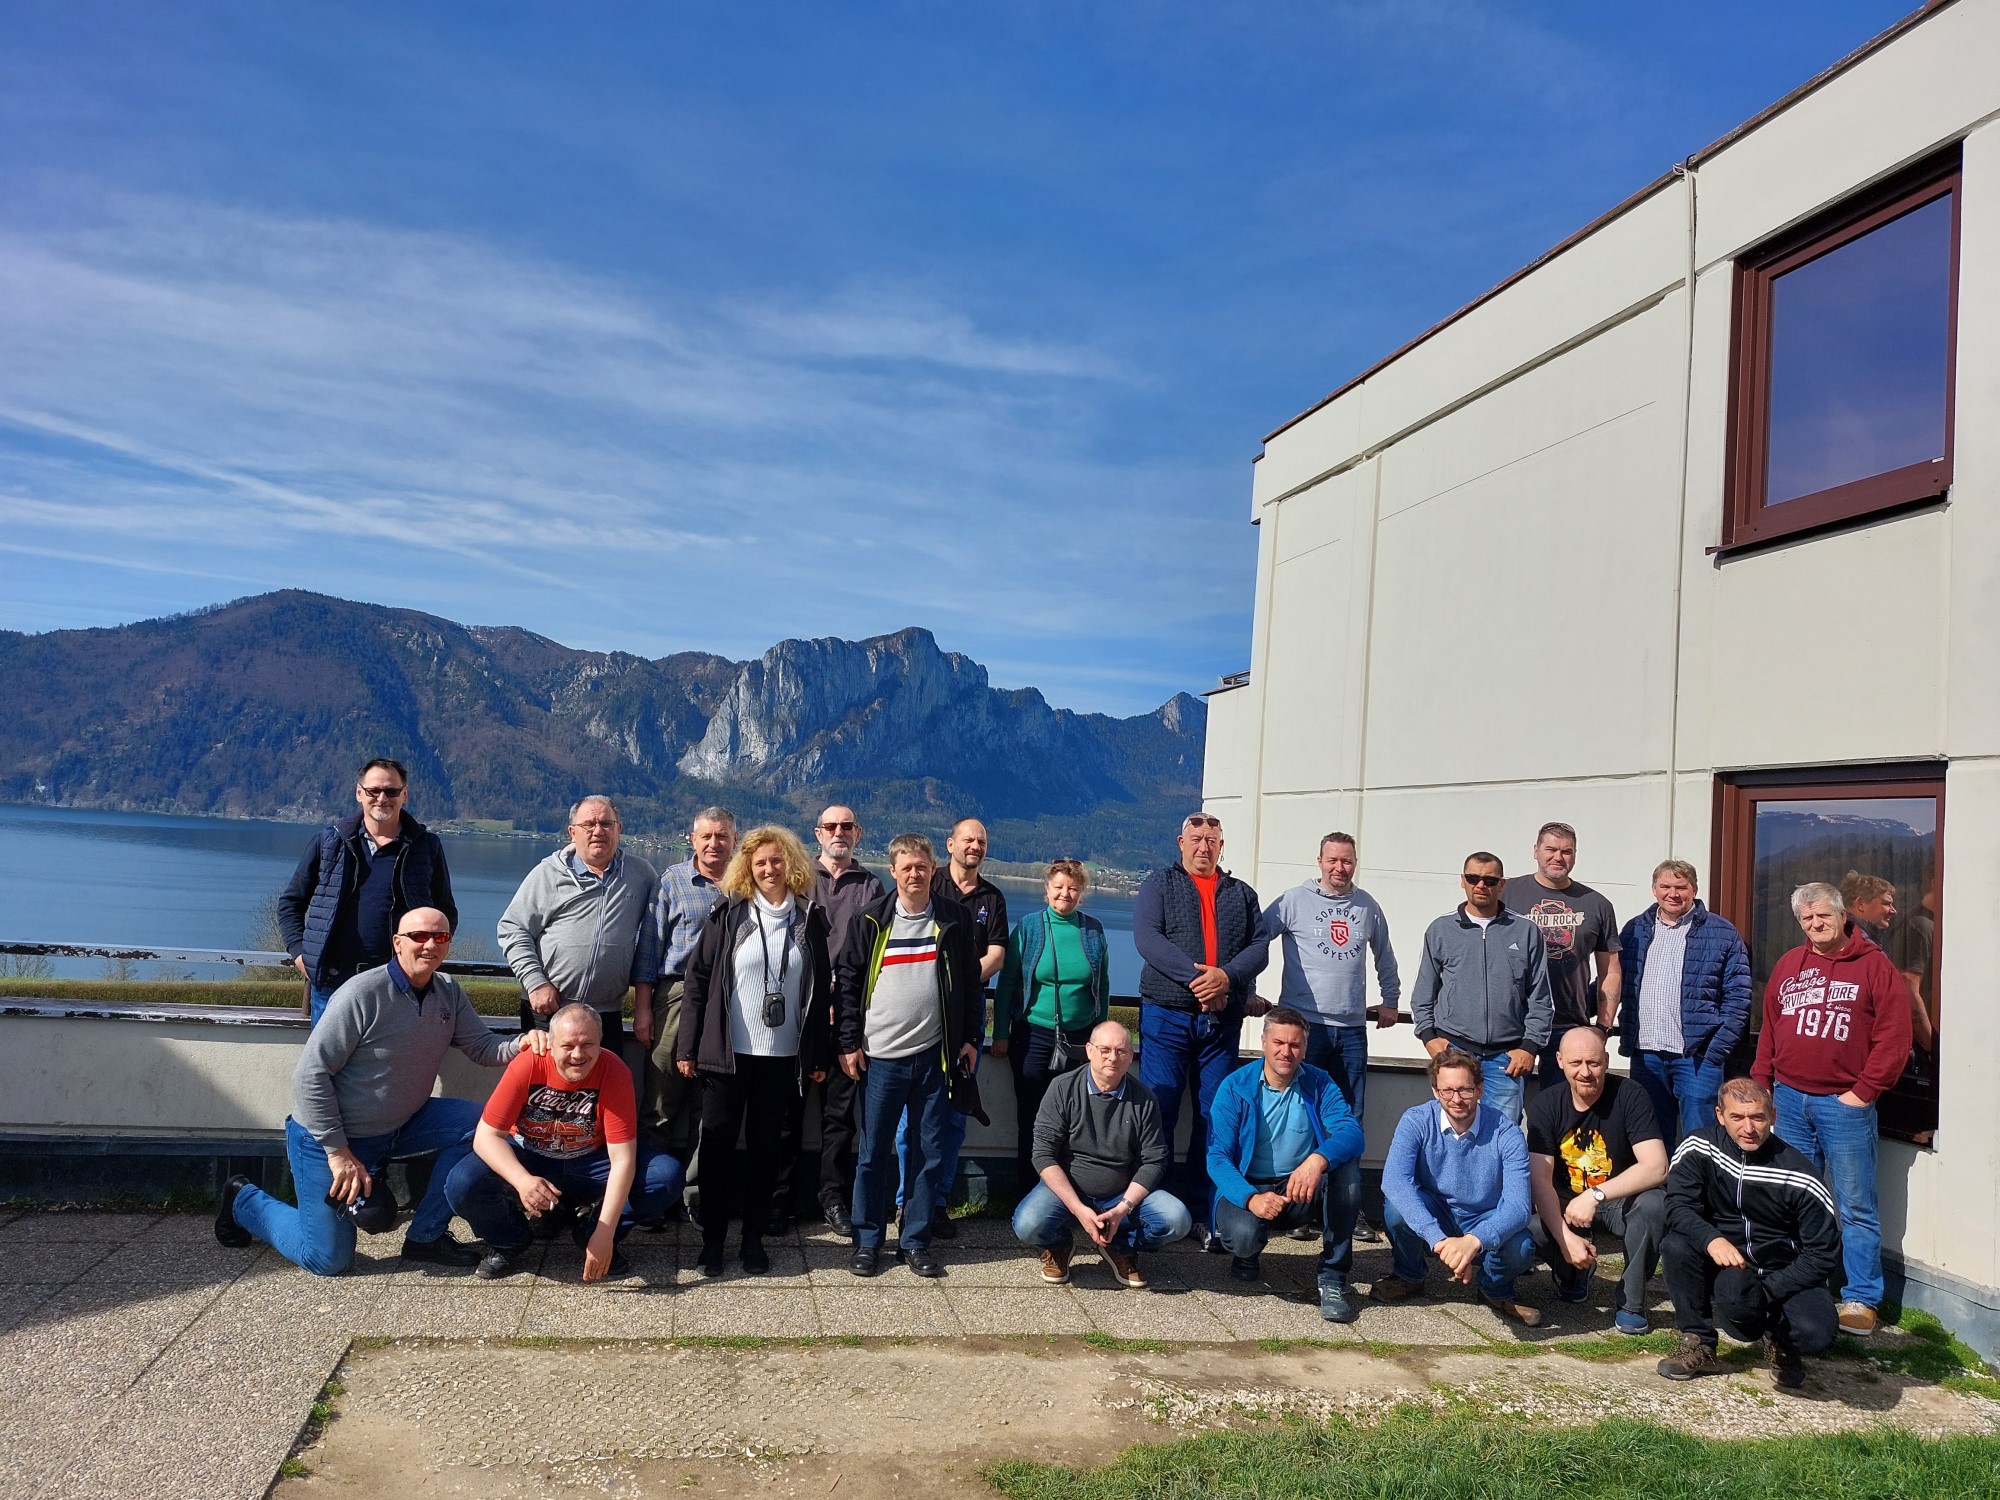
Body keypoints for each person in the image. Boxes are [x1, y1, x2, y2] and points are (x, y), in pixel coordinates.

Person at [215, 908, 536, 1274]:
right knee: (328, 1259)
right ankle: (244, 1201)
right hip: (331, 1140)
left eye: (440, 937)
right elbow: (310, 1075)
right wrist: (338, 1153)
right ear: (397, 943)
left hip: (403, 1124)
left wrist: (525, 1043)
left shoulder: (447, 991)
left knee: (482, 1128)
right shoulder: (362, 993)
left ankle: (426, 1237)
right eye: (419, 936)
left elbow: (481, 1046)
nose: (430, 944)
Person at [1752, 881, 1910, 1338]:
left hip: (1844, 1105)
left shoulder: (1876, 967)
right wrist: (1763, 1085)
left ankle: (1861, 1298)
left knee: (1855, 1204)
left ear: (1843, 915)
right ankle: (1801, 1286)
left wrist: (1864, 1092)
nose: (1816, 924)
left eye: (1823, 915)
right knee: (1793, 1199)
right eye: (1807, 918)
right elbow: (1770, 1029)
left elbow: (1894, 1038)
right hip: (1788, 1100)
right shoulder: (1789, 964)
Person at [676, 826, 834, 1277]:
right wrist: (688, 1045)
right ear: (747, 868)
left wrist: (817, 1056)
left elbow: (821, 991)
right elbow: (697, 982)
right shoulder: (728, 914)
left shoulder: (809, 918)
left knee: (768, 1151)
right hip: (726, 1055)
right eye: (760, 862)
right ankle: (712, 1242)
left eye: (777, 860)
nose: (769, 869)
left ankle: (752, 1240)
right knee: (717, 1148)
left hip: (782, 1059)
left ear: (792, 864)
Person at [446, 1003, 687, 1281]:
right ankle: (510, 1239)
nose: (577, 1054)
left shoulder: (614, 1071)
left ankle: (590, 1232)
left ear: (600, 1042)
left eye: (587, 1044)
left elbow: (622, 1159)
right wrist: (522, 1181)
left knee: (665, 1175)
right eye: (567, 1046)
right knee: (461, 1183)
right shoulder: (528, 1063)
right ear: (551, 1043)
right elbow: (486, 1136)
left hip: (591, 1160)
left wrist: (604, 1233)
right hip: (530, 1154)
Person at [834, 834, 981, 1279]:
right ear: (893, 871)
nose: (915, 874)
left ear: (933, 870)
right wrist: (848, 1043)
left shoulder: (954, 919)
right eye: (907, 867)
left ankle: (915, 1241)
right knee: (873, 1152)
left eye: (922, 867)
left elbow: (970, 983)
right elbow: (848, 983)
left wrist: (970, 1038)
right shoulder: (870, 920)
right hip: (881, 1058)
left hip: (935, 1058)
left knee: (927, 1152)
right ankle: (867, 1241)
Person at [1132, 813, 1269, 1242]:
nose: (1203, 846)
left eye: (1212, 840)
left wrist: (1226, 978)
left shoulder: (1241, 894)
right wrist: (1202, 981)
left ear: (1221, 845)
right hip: (1167, 1016)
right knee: (1159, 1110)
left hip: (1221, 1022)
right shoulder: (1159, 884)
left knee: (1215, 1118)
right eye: (1196, 839)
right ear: (1181, 842)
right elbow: (1148, 939)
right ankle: (1154, 1209)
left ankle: (1203, 1212)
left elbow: (1260, 947)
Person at [1656, 1078, 1840, 1392]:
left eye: (1757, 1117)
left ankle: (1781, 1343)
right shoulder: (1698, 1147)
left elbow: (1822, 1254)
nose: (1748, 1128)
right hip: (1726, 1263)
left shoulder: (1799, 1174)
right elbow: (1677, 1205)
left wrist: (1767, 1292)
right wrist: (1711, 1239)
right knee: (1676, 1245)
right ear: (1719, 1115)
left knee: (1816, 1332)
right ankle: (1698, 1340)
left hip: (1783, 1270)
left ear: (1773, 1116)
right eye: (1737, 1117)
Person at [1259, 830, 1399, 1242]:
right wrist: (1247, 989)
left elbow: (1385, 955)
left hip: (1352, 1029)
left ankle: (1346, 1209)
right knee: (1302, 1116)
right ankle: (1300, 1208)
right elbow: (1255, 941)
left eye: (1347, 861)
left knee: (1349, 1118)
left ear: (1355, 863)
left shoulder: (1367, 905)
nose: (1340, 868)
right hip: (1304, 1028)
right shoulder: (1292, 901)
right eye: (1333, 860)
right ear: (1319, 861)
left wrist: (1390, 1000)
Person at [1206, 1006, 1367, 1322]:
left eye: (1295, 1044)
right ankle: (1248, 1253)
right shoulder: (1235, 1086)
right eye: (1279, 1042)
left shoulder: (1319, 1082)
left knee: (1347, 1171)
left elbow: (1352, 1133)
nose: (1286, 1051)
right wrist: (1250, 1198)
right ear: (1263, 1043)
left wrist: (1318, 1160)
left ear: (1305, 1048)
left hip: (1299, 1185)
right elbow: (1217, 1157)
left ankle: (1333, 1276)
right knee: (1242, 1238)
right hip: (1249, 1185)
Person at [277, 758, 457, 1027]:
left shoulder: (426, 847)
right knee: (330, 1056)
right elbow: (291, 903)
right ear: (359, 793)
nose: (382, 798)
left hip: (400, 986)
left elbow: (445, 912)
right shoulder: (330, 843)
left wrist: (426, 958)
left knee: (396, 1056)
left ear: (405, 795)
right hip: (333, 984)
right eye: (374, 791)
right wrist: (302, 954)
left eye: (391, 791)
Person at [895, 817, 1010, 1240]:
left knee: (955, 1112)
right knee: (910, 1117)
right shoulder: (931, 883)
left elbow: (997, 954)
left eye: (981, 841)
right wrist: (942, 982)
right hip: (924, 1009)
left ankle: (938, 1201)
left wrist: (958, 980)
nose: (975, 846)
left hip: (968, 1013)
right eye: (968, 839)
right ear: (950, 844)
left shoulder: (992, 897)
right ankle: (906, 1201)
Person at [1012, 1021, 1190, 1289]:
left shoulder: (1144, 1099)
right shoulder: (1062, 1088)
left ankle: (1120, 1245)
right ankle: (1059, 1245)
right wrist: (1077, 1208)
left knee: (1177, 1220)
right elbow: (1042, 1154)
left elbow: (1154, 1160)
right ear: (1089, 1050)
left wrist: (1123, 1208)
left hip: (1121, 1194)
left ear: (1130, 1056)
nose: (1112, 1057)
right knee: (1028, 1224)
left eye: (1121, 1051)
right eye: (1105, 1050)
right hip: (1068, 1191)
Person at [1374, 1048, 1541, 1326]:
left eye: (1465, 1090)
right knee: (1396, 1210)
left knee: (1521, 1247)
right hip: (1437, 1209)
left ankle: (1494, 1288)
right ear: (1435, 1091)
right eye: (1447, 1091)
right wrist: (1439, 1241)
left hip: (1484, 1214)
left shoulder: (1506, 1131)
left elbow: (1519, 1207)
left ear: (1480, 1089)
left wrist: (1473, 1241)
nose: (1456, 1099)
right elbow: (1394, 1181)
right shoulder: (1416, 1120)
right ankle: (1409, 1276)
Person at [1525, 1026, 1668, 1333]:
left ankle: (1631, 1301)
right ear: (1559, 1061)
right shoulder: (1546, 1104)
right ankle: (1573, 1274)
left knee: (1655, 1205)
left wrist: (1595, 1195)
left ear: (1606, 1060)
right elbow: (1539, 1180)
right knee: (1533, 1227)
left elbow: (1657, 1167)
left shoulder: (1630, 1095)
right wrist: (1565, 1239)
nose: (1585, 1072)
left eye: (1593, 1062)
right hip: (1567, 1204)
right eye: (1575, 1063)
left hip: (1619, 1201)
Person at [498, 795, 659, 1049]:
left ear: (618, 829)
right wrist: (535, 982)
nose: (598, 831)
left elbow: (656, 935)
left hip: (606, 1014)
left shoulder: (641, 875)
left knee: (605, 1076)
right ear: (572, 832)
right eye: (588, 824)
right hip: (548, 1009)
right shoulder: (548, 874)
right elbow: (513, 929)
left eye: (606, 824)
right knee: (545, 1076)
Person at [994, 859, 1111, 1194]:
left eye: (1072, 888)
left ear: (1082, 892)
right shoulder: (1029, 928)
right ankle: (1028, 1194)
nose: (1065, 894)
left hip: (1079, 1040)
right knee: (1031, 1118)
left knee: (1073, 1118)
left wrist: (1100, 1037)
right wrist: (1000, 1033)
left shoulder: (1093, 931)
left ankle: (1068, 1196)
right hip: (1033, 1036)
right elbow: (1007, 983)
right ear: (1047, 890)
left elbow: (1102, 985)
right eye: (1058, 887)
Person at [1613, 861, 1752, 1142]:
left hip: (1697, 1057)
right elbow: (1616, 979)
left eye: (1681, 887)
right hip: (1646, 1053)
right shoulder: (1635, 930)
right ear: (1654, 889)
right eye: (1665, 886)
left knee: (1701, 1139)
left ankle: (1697, 1175)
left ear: (1694, 889)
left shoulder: (1722, 932)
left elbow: (1739, 997)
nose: (1673, 894)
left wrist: (1715, 1050)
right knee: (1650, 1137)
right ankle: (1660, 1175)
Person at [1409, 853, 1552, 1126]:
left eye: (1490, 880)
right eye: (1473, 878)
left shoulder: (1525, 931)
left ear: (1502, 884)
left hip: (1506, 1059)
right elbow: (1423, 994)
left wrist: (1529, 1047)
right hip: (1455, 1051)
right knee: (1454, 1129)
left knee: (1501, 1132)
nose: (1481, 885)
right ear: (1462, 881)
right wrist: (1429, 1038)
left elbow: (1541, 998)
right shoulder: (1441, 930)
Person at [634, 807, 735, 1165]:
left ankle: (697, 1190)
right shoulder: (671, 881)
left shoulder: (747, 883)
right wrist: (643, 1010)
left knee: (710, 1104)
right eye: (706, 836)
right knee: (660, 1100)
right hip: (675, 997)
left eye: (722, 836)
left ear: (735, 840)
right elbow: (649, 950)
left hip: (728, 1001)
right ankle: (651, 1187)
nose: (714, 843)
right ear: (692, 839)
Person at [809, 805, 885, 1237]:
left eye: (847, 826)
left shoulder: (871, 886)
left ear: (858, 833)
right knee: (785, 1111)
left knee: (839, 1116)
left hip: (846, 1016)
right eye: (831, 826)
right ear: (818, 833)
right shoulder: (800, 877)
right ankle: (778, 1200)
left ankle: (833, 1198)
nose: (839, 832)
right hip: (799, 1013)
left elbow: (870, 953)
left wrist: (842, 996)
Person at [1502, 823, 1619, 1085]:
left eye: (1566, 851)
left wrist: (1603, 1027)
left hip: (1569, 1026)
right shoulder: (1505, 893)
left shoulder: (1596, 904)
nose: (1558, 857)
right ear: (1535, 851)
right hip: (1513, 1026)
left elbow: (1610, 970)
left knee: (1565, 1106)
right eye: (1551, 849)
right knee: (1504, 1107)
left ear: (1575, 855)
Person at [1839, 872, 1897, 950]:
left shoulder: (1851, 936)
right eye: (1886, 904)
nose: (1894, 911)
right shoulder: (1853, 940)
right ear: (1860, 904)